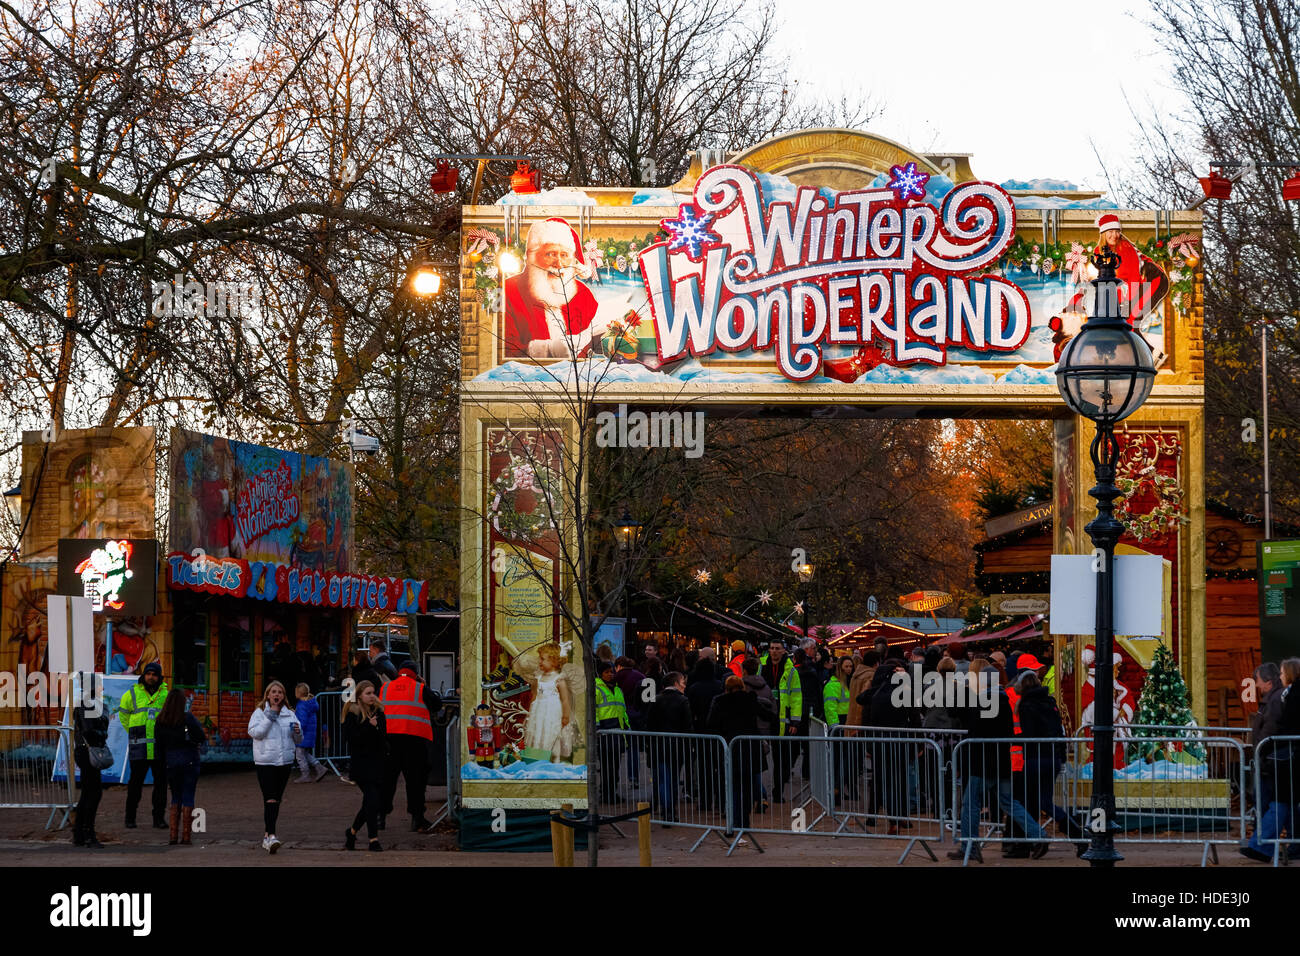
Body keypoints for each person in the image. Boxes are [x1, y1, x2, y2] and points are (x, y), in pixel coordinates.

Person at [949, 669, 1046, 863]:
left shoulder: (982, 702)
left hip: (982, 762)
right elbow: (1008, 731)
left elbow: (972, 729)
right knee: (1009, 802)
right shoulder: (1005, 702)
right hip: (1002, 761)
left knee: (971, 805)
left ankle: (970, 846)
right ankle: (1040, 836)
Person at [502, 217, 603, 358]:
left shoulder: (582, 294)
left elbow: (594, 342)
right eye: (550, 254)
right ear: (532, 256)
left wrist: (612, 335)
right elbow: (500, 350)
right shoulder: (508, 291)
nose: (559, 263)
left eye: (564, 255)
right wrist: (549, 350)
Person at [1015, 671, 1087, 856]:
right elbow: (1058, 731)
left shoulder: (1026, 705)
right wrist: (1061, 756)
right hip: (1052, 757)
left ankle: (1036, 838)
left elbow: (1030, 734)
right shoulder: (1050, 703)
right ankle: (1076, 834)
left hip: (1035, 757)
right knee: (1044, 800)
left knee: (1025, 800)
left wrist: (1013, 739)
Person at [380, 658, 442, 832]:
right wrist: (425, 684)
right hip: (414, 741)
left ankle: (380, 818)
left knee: (387, 780)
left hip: (389, 740)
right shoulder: (420, 689)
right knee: (416, 781)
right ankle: (417, 818)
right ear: (416, 674)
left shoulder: (385, 688)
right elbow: (437, 705)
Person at [1243, 661, 1295, 861]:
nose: (1256, 685)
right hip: (1273, 760)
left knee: (1275, 804)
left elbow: (1270, 732)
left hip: (1272, 762)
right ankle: (1266, 845)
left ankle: (1262, 846)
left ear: (1268, 682)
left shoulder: (1275, 702)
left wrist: (1262, 755)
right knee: (1282, 805)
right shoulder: (1275, 700)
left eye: (1257, 681)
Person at [707, 675, 768, 835]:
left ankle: (733, 824)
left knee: (733, 788)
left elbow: (711, 724)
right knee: (747, 787)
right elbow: (767, 715)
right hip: (749, 747)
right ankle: (745, 823)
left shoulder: (720, 702)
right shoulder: (750, 699)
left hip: (730, 747)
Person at [248, 680, 303, 853]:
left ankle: (267, 836)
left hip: (284, 762)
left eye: (280, 692)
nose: (277, 695)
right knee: (270, 797)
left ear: (283, 696)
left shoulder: (290, 714)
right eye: (273, 692)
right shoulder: (259, 712)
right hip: (266, 761)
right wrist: (270, 716)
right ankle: (272, 835)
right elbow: (255, 733)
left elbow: (299, 740)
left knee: (275, 800)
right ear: (268, 695)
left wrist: (297, 732)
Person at [118, 661, 169, 830]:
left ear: (159, 677)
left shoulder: (165, 695)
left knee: (161, 786)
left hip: (159, 748)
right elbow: (123, 716)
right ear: (144, 675)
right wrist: (133, 733)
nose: (151, 677)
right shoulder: (132, 693)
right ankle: (130, 818)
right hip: (139, 747)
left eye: (154, 674)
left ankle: (159, 819)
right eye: (148, 674)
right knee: (135, 786)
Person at [154, 689, 206, 845]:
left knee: (175, 797)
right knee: (188, 796)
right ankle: (186, 836)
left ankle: (172, 836)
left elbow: (159, 745)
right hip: (189, 760)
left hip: (171, 762)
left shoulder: (161, 720)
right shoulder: (187, 718)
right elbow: (201, 737)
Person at [343, 680, 388, 851]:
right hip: (362, 765)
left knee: (371, 802)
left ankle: (352, 832)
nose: (372, 696)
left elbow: (382, 736)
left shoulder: (378, 711)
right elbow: (353, 739)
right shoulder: (352, 713)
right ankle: (373, 839)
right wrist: (369, 727)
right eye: (368, 693)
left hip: (378, 763)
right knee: (372, 800)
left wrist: (376, 729)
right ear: (360, 695)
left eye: (373, 692)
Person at [646, 670, 692, 822]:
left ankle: (666, 809)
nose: (684, 686)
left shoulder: (655, 699)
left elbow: (649, 724)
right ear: (676, 683)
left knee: (662, 778)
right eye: (683, 682)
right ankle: (670, 810)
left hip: (658, 745)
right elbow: (687, 726)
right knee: (672, 779)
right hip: (676, 746)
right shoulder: (682, 701)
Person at [72, 682, 109, 848]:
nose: (102, 689)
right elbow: (88, 730)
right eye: (99, 686)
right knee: (93, 793)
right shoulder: (87, 704)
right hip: (87, 752)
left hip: (86, 751)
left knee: (88, 793)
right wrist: (102, 733)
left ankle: (79, 833)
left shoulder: (90, 704)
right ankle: (88, 834)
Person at [685, 656, 724, 811]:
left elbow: (690, 711)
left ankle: (705, 802)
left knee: (704, 769)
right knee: (719, 768)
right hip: (719, 732)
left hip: (701, 732)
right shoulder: (720, 686)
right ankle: (720, 802)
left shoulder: (694, 688)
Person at [523, 642, 573, 761]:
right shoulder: (538, 678)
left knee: (550, 733)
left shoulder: (558, 679)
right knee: (538, 732)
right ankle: (537, 757)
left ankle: (553, 758)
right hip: (539, 712)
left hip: (552, 713)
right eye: (539, 658)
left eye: (543, 659)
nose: (540, 661)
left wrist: (566, 716)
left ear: (554, 661)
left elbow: (565, 700)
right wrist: (531, 712)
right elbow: (534, 696)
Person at [595, 660, 629, 804]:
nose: (610, 674)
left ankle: (611, 792)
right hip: (604, 732)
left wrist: (627, 727)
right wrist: (597, 728)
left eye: (612, 672)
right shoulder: (596, 688)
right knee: (607, 766)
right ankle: (606, 794)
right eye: (607, 672)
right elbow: (594, 710)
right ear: (600, 673)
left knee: (614, 766)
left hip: (618, 732)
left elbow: (623, 710)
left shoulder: (617, 689)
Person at [292, 683, 328, 783]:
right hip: (309, 733)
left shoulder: (301, 705)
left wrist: (295, 728)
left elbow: (301, 722)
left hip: (303, 733)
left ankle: (305, 774)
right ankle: (319, 768)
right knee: (305, 753)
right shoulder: (311, 703)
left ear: (298, 693)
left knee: (299, 755)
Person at [847, 650, 879, 730]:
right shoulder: (871, 676)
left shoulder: (855, 675)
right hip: (860, 720)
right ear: (876, 663)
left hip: (851, 717)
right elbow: (865, 698)